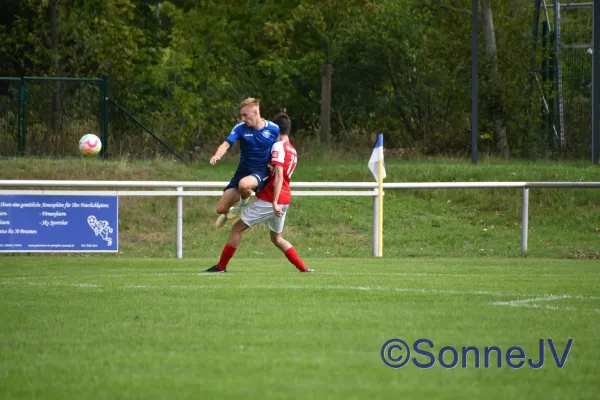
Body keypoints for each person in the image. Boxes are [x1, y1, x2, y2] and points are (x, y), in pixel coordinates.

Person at [204, 112, 314, 273]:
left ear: (277, 130)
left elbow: (278, 177)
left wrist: (274, 200)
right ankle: (304, 269)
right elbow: (279, 172)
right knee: (277, 238)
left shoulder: (277, 146)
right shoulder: (293, 150)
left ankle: (221, 267)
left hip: (272, 199)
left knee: (236, 229)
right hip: (285, 199)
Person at [210, 97, 280, 229]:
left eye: (245, 115)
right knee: (220, 209)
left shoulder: (274, 129)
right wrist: (217, 155)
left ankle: (241, 205)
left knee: (244, 185)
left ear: (255, 113)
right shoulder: (240, 128)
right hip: (242, 172)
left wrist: (273, 163)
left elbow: (278, 149)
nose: (242, 119)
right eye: (241, 115)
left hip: (260, 171)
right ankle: (228, 214)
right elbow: (225, 145)